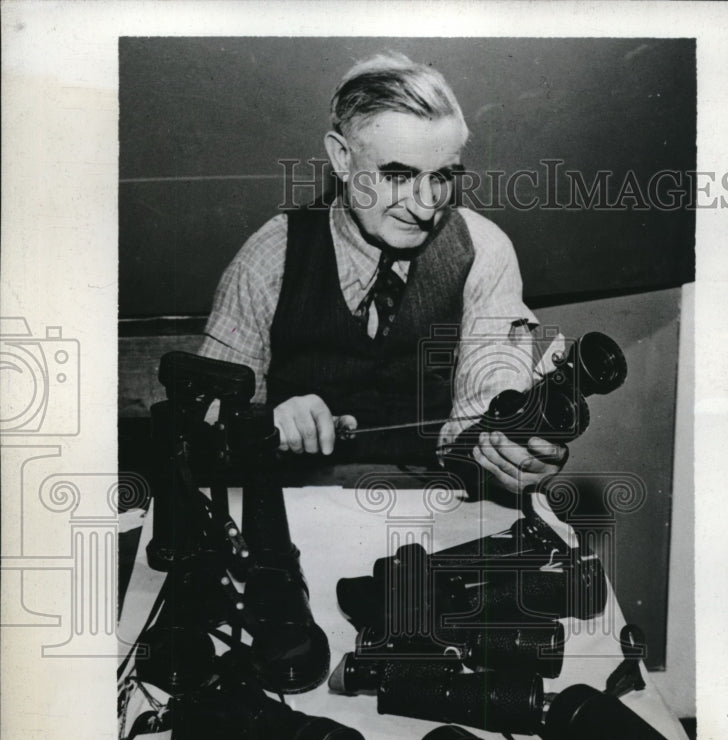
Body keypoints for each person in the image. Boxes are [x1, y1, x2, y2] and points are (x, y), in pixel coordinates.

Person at [198, 52, 568, 495]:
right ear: (341, 157)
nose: (425, 207)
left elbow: (488, 405)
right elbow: (203, 425)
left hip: (433, 505)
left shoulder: (484, 250)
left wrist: (513, 452)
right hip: (293, 505)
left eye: (442, 177)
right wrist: (263, 423)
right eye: (397, 176)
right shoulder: (269, 256)